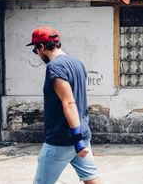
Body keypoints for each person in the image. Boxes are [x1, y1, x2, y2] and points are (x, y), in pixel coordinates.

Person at [27, 27, 101, 184]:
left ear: (41, 47)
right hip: (80, 133)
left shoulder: (55, 67)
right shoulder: (77, 62)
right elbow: (83, 97)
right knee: (91, 178)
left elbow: (69, 102)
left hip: (62, 138)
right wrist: (80, 136)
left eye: (35, 51)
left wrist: (77, 140)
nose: (38, 55)